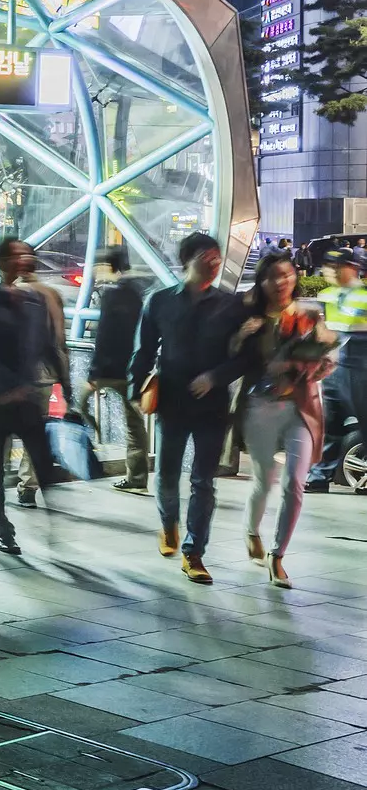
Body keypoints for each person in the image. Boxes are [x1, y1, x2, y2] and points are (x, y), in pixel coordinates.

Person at [217, 252, 336, 587]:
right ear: (263, 281)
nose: (281, 282)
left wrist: (322, 363)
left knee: (294, 484)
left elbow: (327, 357)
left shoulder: (309, 315)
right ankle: (251, 529)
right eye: (273, 276)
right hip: (261, 406)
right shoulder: (251, 317)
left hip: (301, 406)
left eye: (287, 274)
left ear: (294, 277)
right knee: (263, 481)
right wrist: (241, 337)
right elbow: (232, 358)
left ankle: (277, 555)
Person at [131, 231, 241, 584]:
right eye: (207, 256)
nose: (214, 263)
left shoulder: (229, 305)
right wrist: (136, 391)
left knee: (203, 481)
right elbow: (143, 349)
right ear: (188, 260)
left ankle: (194, 553)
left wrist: (216, 376)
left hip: (212, 404)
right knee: (165, 474)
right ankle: (168, 524)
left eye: (217, 257)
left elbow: (245, 358)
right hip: (172, 401)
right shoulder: (160, 302)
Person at [0, 238, 66, 555]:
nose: (25, 258)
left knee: (42, 461)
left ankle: (54, 526)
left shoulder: (34, 303)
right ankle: (1, 526)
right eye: (17, 254)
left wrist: (65, 385)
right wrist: (10, 383)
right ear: (1, 261)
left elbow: (48, 346)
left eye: (28, 253)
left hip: (27, 399)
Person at [0, 239, 69, 509]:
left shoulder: (8, 294)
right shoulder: (51, 294)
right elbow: (59, 339)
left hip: (12, 375)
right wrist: (63, 377)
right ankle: (27, 486)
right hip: (43, 374)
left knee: (3, 428)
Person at [87, 246, 151, 493]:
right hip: (132, 370)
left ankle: (86, 456)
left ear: (108, 267)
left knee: (76, 409)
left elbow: (104, 336)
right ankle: (136, 477)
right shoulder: (137, 293)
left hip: (109, 372)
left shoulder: (111, 294)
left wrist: (93, 374)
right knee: (135, 426)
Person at [308, 250, 367, 492]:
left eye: (336, 266)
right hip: (334, 367)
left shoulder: (364, 297)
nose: (330, 270)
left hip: (359, 367)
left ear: (352, 267)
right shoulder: (327, 295)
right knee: (330, 425)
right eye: (328, 265)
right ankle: (319, 477)